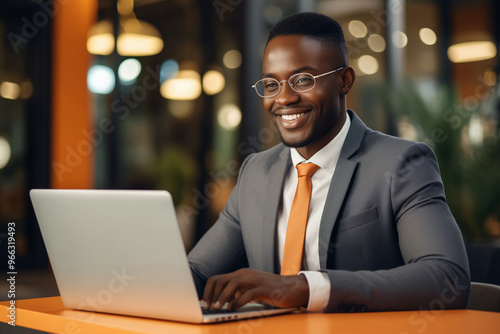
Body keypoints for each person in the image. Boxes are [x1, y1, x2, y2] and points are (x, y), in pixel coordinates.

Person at [188, 12, 470, 313]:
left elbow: (447, 278)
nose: (284, 98)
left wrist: (305, 288)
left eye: (302, 80)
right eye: (271, 85)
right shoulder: (256, 171)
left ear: (344, 81)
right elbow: (197, 272)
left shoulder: (402, 163)